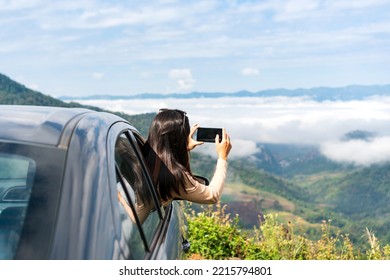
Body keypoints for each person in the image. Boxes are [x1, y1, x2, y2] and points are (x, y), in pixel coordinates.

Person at [142, 108, 232, 207]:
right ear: (182, 138)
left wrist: (184, 148)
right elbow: (212, 195)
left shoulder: (139, 153)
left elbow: (163, 155)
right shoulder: (173, 176)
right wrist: (222, 157)